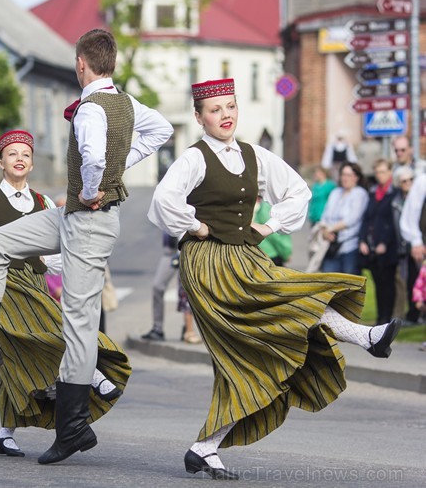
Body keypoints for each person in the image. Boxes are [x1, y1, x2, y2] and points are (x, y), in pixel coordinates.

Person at [148, 77, 401, 480]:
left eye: (230, 106)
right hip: (210, 264)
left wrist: (269, 227)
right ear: (199, 117)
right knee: (290, 302)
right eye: (215, 110)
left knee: (249, 360)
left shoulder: (255, 156)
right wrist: (195, 227)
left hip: (246, 256)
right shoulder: (194, 159)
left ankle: (206, 446)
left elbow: (297, 192)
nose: (225, 115)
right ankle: (365, 337)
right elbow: (163, 201)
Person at [0, 29, 173, 465]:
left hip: (89, 219)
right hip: (70, 218)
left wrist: (92, 187)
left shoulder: (90, 110)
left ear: (82, 63)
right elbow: (159, 131)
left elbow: (96, 157)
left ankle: (72, 429)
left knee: (79, 324)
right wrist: (115, 170)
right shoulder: (125, 102)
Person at [0, 129, 131, 456]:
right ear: (1, 162)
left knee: (14, 356)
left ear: (32, 163)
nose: (20, 159)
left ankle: (4, 432)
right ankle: (93, 375)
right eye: (12, 154)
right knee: (39, 339)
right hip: (2, 285)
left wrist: (59, 260)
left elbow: (56, 254)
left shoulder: (42, 202)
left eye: (25, 154)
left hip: (34, 284)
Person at [359, 159, 399, 324]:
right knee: (377, 283)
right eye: (377, 172)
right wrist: (362, 240)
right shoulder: (373, 193)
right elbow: (366, 219)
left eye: (383, 172)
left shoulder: (394, 194)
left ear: (390, 173)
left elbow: (393, 222)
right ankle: (379, 317)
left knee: (388, 283)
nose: (380, 175)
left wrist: (384, 242)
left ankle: (386, 317)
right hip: (372, 246)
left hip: (388, 247)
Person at [319, 162, 369, 275]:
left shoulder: (360, 194)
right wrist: (324, 231)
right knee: (329, 282)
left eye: (349, 175)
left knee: (350, 285)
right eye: (343, 175)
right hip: (331, 246)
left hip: (350, 246)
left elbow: (351, 219)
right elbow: (324, 216)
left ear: (356, 177)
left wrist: (331, 228)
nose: (345, 178)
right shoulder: (335, 193)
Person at [391, 167, 420, 323]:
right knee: (409, 282)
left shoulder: (420, 199)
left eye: (411, 180)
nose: (408, 183)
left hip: (419, 245)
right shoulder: (396, 202)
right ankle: (412, 314)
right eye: (404, 181)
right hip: (403, 247)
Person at [255, 197, 292, 266]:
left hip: (262, 252)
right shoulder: (269, 206)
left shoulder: (265, 205)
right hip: (271, 254)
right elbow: (275, 236)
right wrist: (286, 253)